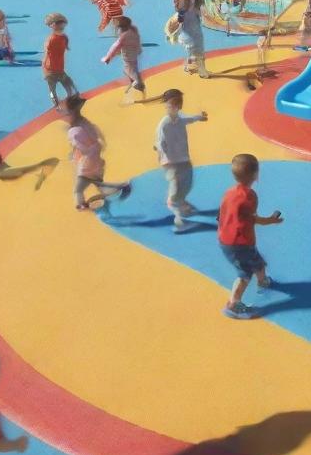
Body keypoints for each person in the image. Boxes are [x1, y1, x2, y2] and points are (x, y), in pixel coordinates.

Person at [218, 153, 282, 319]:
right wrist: (270, 220)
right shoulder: (249, 196)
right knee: (244, 274)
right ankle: (233, 303)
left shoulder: (229, 192)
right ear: (255, 175)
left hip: (227, 238)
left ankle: (263, 281)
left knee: (257, 261)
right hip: (239, 243)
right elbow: (253, 219)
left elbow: (222, 213)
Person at [61, 95, 131, 210]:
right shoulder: (85, 123)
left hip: (87, 164)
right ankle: (119, 186)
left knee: (78, 189)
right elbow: (96, 135)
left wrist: (74, 153)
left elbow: (81, 146)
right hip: (96, 160)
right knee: (98, 183)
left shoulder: (75, 130)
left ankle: (81, 204)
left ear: (70, 112)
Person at [154, 88, 208, 232]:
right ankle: (179, 222)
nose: (175, 106)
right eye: (171, 104)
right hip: (172, 163)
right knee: (176, 190)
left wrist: (200, 117)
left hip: (184, 159)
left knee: (187, 184)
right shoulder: (164, 124)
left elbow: (189, 119)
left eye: (177, 103)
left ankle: (182, 202)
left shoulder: (179, 118)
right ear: (166, 105)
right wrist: (164, 157)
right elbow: (160, 143)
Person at [101, 16, 145, 97]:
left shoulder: (124, 36)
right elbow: (137, 41)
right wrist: (139, 50)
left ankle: (138, 85)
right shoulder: (133, 31)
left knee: (129, 71)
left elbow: (115, 47)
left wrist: (107, 58)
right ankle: (136, 85)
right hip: (133, 56)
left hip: (128, 57)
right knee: (133, 70)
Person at [173, 0, 209, 78]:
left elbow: (199, 6)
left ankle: (195, 67)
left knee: (198, 47)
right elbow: (180, 15)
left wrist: (199, 11)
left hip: (194, 24)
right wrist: (181, 2)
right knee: (193, 47)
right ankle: (200, 70)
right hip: (187, 27)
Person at [42, 13, 78, 109]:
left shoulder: (64, 38)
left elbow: (65, 45)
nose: (60, 25)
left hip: (59, 68)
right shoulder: (51, 39)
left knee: (69, 84)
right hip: (50, 69)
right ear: (51, 25)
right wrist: (45, 69)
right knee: (52, 89)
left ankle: (71, 99)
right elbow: (47, 53)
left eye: (61, 22)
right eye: (57, 23)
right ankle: (56, 105)